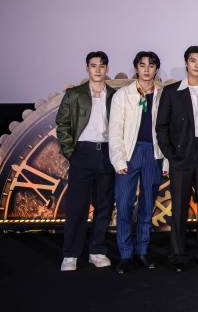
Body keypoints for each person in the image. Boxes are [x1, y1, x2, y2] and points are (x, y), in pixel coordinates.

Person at [156, 45, 198, 272]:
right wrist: (171, 154)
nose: (197, 65)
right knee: (179, 208)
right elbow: (161, 127)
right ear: (186, 63)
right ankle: (178, 254)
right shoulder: (172, 92)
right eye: (193, 60)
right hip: (181, 156)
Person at [56, 51, 116, 271]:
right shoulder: (74, 94)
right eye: (93, 65)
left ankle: (97, 251)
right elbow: (62, 124)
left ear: (107, 68)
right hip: (82, 153)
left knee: (104, 205)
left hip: (107, 154)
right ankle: (70, 254)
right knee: (77, 206)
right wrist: (71, 152)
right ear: (87, 68)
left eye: (102, 66)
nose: (98, 70)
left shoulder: (115, 95)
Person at [109, 51, 168, 274]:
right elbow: (115, 131)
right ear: (136, 68)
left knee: (147, 205)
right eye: (142, 65)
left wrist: (166, 162)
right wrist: (118, 160)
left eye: (151, 66)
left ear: (156, 69)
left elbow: (168, 131)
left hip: (153, 154)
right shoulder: (122, 95)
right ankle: (125, 255)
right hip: (129, 153)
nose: (146, 69)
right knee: (124, 204)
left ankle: (142, 251)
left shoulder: (163, 95)